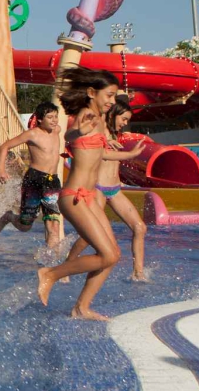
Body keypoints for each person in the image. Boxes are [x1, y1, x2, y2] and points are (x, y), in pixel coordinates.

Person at [35, 69, 142, 321]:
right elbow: (70, 136)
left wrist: (128, 155)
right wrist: (78, 132)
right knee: (107, 254)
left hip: (90, 197)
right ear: (92, 92)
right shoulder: (86, 114)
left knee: (113, 255)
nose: (112, 101)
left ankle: (81, 308)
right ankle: (50, 274)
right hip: (74, 197)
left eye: (114, 96)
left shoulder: (101, 119)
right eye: (109, 95)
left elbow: (97, 152)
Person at [61, 97, 152, 281]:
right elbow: (82, 145)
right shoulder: (99, 129)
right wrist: (110, 145)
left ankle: (138, 273)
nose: (125, 123)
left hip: (115, 189)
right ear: (113, 114)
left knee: (140, 227)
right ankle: (67, 266)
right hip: (98, 189)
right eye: (123, 119)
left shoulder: (115, 134)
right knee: (89, 237)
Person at [0, 103, 63, 249]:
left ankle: (51, 260)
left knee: (53, 225)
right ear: (40, 119)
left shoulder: (57, 130)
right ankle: (10, 216)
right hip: (34, 180)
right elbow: (5, 146)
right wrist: (1, 169)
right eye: (50, 117)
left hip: (52, 181)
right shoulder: (32, 134)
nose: (54, 120)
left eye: (56, 116)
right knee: (25, 226)